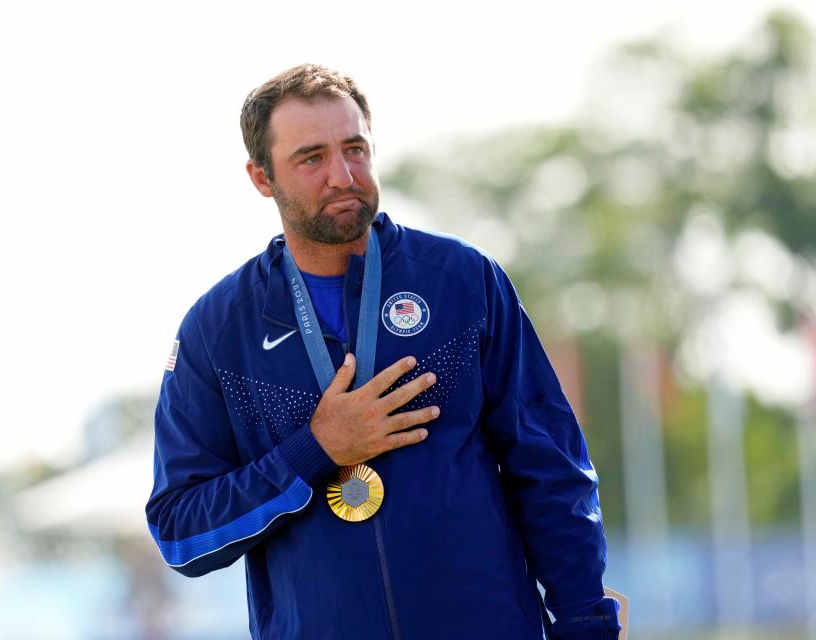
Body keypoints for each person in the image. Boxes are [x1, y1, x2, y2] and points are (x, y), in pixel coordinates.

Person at [146, 63, 621, 640]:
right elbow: (180, 533)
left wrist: (585, 623)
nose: (343, 175)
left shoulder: (462, 282)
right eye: (311, 158)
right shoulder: (217, 331)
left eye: (355, 149)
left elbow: (551, 471)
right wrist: (315, 449)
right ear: (261, 176)